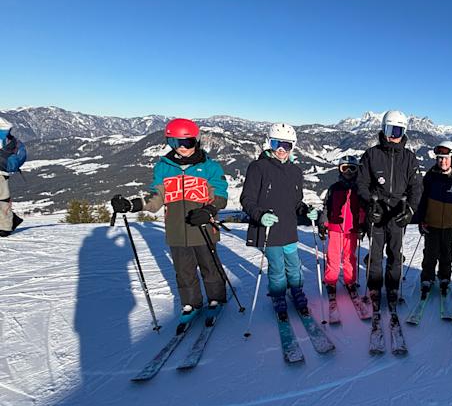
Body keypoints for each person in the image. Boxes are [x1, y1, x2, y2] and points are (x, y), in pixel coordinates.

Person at [110, 118, 228, 325]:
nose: (181, 147)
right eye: (175, 142)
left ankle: (216, 299)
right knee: (183, 270)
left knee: (210, 267)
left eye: (187, 142)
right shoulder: (163, 167)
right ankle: (191, 304)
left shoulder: (210, 167)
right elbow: (156, 199)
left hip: (203, 227)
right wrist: (131, 205)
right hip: (176, 229)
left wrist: (209, 210)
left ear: (196, 141)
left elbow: (220, 195)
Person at [240, 122, 319, 319]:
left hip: (289, 229)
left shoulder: (296, 171)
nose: (281, 149)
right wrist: (259, 215)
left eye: (286, 145)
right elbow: (246, 199)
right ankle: (278, 295)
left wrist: (306, 210)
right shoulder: (258, 167)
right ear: (269, 143)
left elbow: (296, 202)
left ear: (293, 146)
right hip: (270, 230)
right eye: (276, 144)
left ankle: (297, 290)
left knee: (294, 266)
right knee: (277, 267)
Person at [356, 110, 423, 314]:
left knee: (395, 254)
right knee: (375, 255)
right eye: (389, 130)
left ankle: (392, 289)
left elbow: (416, 187)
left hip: (397, 215)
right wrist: (370, 204)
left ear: (404, 132)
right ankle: (374, 289)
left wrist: (410, 210)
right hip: (376, 214)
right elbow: (361, 184)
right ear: (382, 130)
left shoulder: (409, 158)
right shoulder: (372, 154)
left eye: (397, 131)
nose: (393, 136)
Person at [413, 140, 452, 300]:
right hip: (431, 222)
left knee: (446, 253)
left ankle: (444, 277)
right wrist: (421, 219)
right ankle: (427, 278)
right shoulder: (430, 176)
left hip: (449, 224)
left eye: (446, 158)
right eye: (440, 158)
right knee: (430, 253)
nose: (442, 161)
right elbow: (422, 199)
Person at [318, 155, 366, 299]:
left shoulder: (359, 189)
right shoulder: (334, 188)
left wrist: (362, 226)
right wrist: (323, 223)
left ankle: (350, 281)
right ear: (340, 170)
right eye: (345, 168)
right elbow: (327, 207)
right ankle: (331, 282)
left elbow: (363, 210)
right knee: (333, 256)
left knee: (350, 257)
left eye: (352, 169)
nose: (348, 172)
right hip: (335, 228)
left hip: (352, 229)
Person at [0, 117, 27, 237]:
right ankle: (7, 225)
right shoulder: (10, 140)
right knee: (3, 200)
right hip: (3, 173)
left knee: (3, 200)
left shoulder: (7, 140)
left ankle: (7, 225)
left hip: (2, 173)